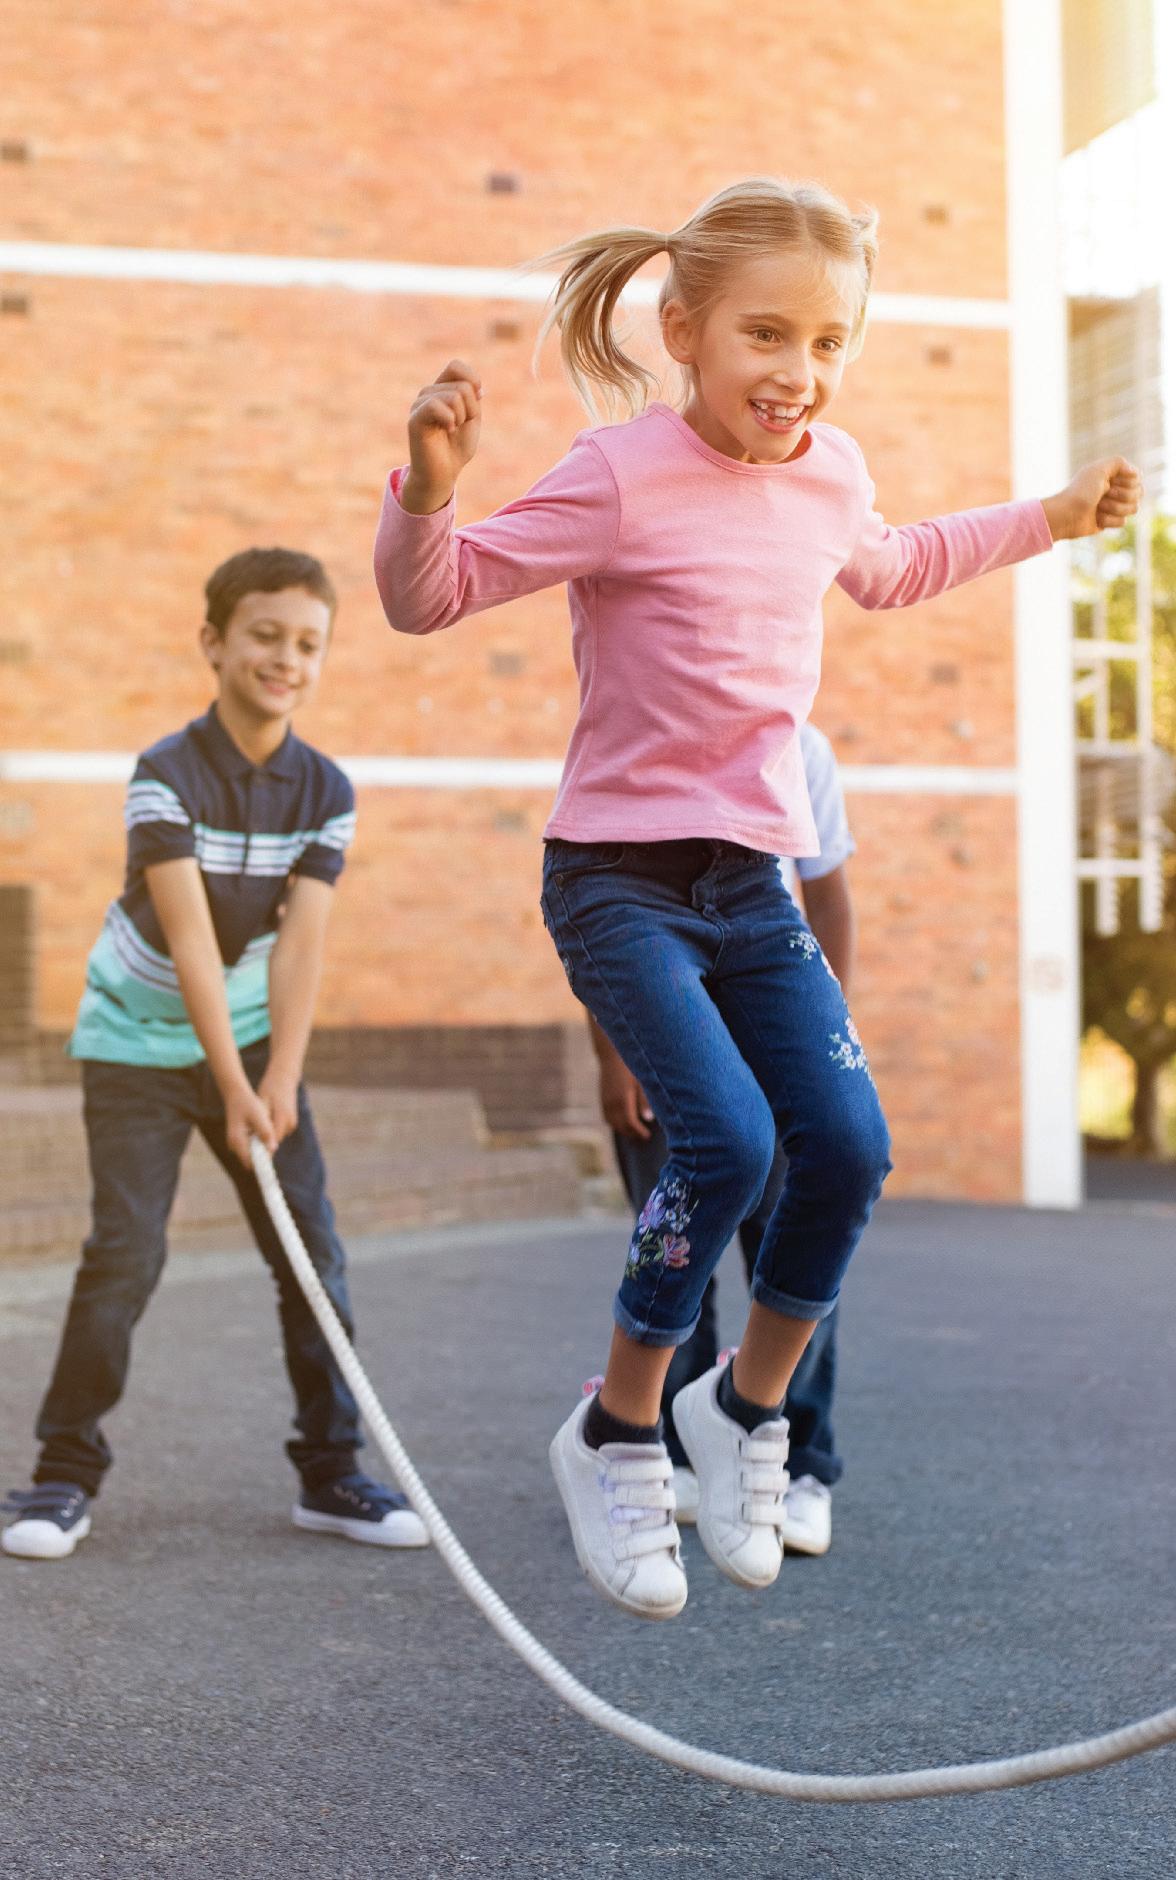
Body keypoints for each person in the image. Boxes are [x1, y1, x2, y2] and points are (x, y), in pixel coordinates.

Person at [373, 176, 1140, 1621]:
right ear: (683, 331)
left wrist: (1048, 516)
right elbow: (434, 596)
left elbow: (899, 566)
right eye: (767, 335)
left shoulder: (831, 474)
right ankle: (616, 1426)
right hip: (618, 879)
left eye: (830, 342)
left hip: (752, 883)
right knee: (721, 1138)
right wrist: (427, 487)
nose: (799, 372)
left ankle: (743, 1408)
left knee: (845, 1148)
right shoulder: (620, 474)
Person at [2, 548, 427, 1561]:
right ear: (215, 642)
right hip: (137, 1045)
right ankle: (61, 1476)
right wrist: (235, 1085)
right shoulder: (165, 775)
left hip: (254, 1042)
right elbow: (192, 940)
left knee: (310, 1252)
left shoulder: (325, 789)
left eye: (308, 644)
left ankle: (330, 1471)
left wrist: (277, 1078)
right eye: (265, 635)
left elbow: (303, 943)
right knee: (127, 1253)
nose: (287, 659)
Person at [591, 721, 855, 1557]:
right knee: (679, 1250)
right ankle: (671, 1451)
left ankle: (798, 1461)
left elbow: (828, 896)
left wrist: (821, 1050)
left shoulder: (802, 749)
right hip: (664, 1037)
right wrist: (613, 1051)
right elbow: (599, 906)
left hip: (768, 1036)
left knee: (794, 1246)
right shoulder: (643, 723)